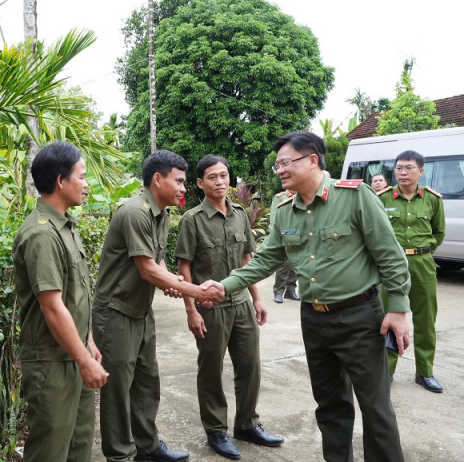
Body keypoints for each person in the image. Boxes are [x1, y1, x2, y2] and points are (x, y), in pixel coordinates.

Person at [219, 131, 411, 462]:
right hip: (314, 319)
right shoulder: (283, 209)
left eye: (285, 162)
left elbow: (391, 256)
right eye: (276, 164)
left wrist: (398, 309)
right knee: (330, 405)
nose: (279, 169)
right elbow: (266, 260)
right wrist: (224, 286)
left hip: (360, 316)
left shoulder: (355, 196)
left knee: (375, 406)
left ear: (311, 160)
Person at [93, 150, 225, 462]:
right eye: (179, 181)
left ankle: (148, 446)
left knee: (147, 382)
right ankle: (121, 455)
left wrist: (170, 281)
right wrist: (193, 289)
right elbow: (146, 269)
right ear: (157, 179)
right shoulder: (135, 211)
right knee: (118, 391)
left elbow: (158, 262)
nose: (183, 188)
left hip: (140, 311)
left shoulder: (161, 213)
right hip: (116, 312)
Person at [175, 155, 284, 460]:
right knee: (211, 370)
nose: (220, 182)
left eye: (224, 175)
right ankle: (216, 430)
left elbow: (247, 261)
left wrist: (258, 299)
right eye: (212, 177)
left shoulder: (238, 215)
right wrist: (191, 310)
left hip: (242, 305)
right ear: (200, 183)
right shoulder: (192, 220)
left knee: (250, 367)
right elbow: (185, 269)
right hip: (210, 308)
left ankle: (248, 424)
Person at [12, 141, 109, 461]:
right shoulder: (41, 234)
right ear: (60, 181)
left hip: (75, 351)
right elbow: (52, 307)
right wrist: (84, 360)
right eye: (82, 176)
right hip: (51, 363)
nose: (87, 184)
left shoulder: (65, 224)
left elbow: (74, 295)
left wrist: (89, 342)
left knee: (78, 444)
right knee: (51, 449)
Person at [377, 150, 445, 392]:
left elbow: (438, 233)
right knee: (387, 317)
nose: (403, 172)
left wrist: (421, 252)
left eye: (408, 168)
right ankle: (387, 370)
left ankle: (425, 372)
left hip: (423, 264)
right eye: (399, 168)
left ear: (421, 171)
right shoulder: (383, 198)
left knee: (426, 319)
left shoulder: (433, 200)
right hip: (391, 267)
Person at [270, 190, 299, 303]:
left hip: (298, 235)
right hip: (285, 235)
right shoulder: (280, 197)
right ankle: (278, 291)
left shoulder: (301, 195)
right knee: (284, 265)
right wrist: (276, 236)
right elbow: (273, 217)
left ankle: (290, 291)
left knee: (295, 265)